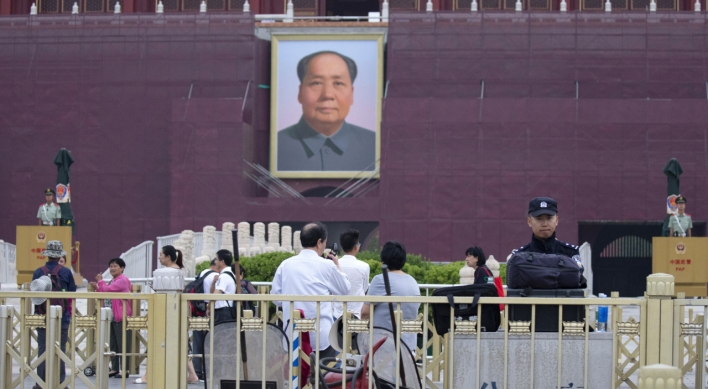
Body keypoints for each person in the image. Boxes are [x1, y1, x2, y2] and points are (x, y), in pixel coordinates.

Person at [277, 51, 376, 172]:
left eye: (338, 83)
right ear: (300, 92)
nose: (327, 94)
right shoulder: (274, 145)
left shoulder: (376, 146)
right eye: (316, 83)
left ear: (352, 94)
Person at [271, 222, 351, 358]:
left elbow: (276, 299)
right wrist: (337, 265)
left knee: (295, 377)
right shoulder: (326, 265)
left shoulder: (285, 265)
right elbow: (345, 289)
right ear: (319, 242)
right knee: (323, 375)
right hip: (320, 337)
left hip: (293, 335)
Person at [134, 245, 199, 384]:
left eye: (161, 254)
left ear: (168, 257)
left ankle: (147, 375)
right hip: (178, 313)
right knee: (181, 344)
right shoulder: (180, 271)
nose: (159, 257)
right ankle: (192, 375)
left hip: (165, 313)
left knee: (156, 342)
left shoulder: (163, 272)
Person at [511, 197, 585, 286]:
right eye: (539, 218)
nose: (545, 224)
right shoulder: (520, 255)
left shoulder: (570, 252)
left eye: (549, 218)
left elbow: (578, 278)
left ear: (556, 220)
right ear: (529, 221)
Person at [32, 240, 76, 389]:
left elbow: (34, 293)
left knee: (43, 349)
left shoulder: (38, 271)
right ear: (59, 257)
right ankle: (60, 382)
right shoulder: (65, 272)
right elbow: (72, 292)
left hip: (42, 316)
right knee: (60, 349)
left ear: (47, 255)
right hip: (61, 316)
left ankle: (40, 383)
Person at [361, 241, 420, 351]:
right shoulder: (412, 281)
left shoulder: (380, 279)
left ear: (383, 261)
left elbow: (365, 312)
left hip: (384, 345)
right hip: (409, 347)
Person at [90, 258, 132, 379]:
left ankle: (125, 369)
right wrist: (98, 287)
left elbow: (107, 290)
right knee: (113, 344)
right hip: (112, 316)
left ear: (122, 268)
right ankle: (114, 368)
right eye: (111, 266)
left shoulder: (123, 280)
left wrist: (100, 281)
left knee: (123, 344)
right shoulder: (113, 280)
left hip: (121, 316)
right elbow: (104, 293)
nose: (112, 268)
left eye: (115, 266)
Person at [333, 229, 370, 318]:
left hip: (337, 314)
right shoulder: (364, 266)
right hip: (357, 314)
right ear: (356, 247)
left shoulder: (334, 264)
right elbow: (364, 288)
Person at [193, 259, 219, 381]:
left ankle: (196, 371)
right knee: (210, 342)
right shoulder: (215, 276)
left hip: (198, 310)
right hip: (209, 311)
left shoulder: (202, 273)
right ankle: (208, 371)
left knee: (197, 342)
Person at [209, 249, 237, 325]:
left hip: (222, 312)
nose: (215, 262)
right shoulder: (229, 274)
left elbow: (215, 294)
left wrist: (208, 308)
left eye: (216, 259)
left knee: (218, 335)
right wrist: (213, 282)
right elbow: (212, 292)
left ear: (222, 262)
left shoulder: (224, 276)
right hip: (226, 310)